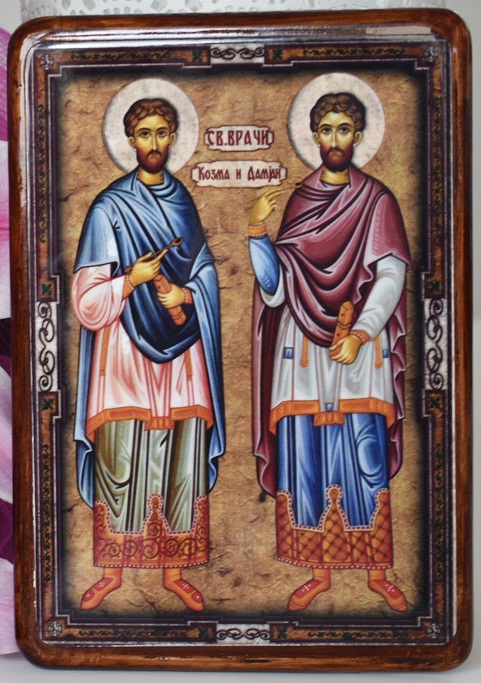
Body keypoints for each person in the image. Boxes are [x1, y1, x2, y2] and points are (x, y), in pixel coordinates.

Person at [248, 92, 411, 612]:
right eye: (327, 129)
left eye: (344, 128)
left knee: (364, 451)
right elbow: (277, 288)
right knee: (306, 454)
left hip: (358, 347)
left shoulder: (377, 201)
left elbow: (391, 275)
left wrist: (361, 333)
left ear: (358, 135)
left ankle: (376, 570)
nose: (335, 139)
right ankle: (317, 570)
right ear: (315, 136)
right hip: (301, 347)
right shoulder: (300, 201)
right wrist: (257, 233)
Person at [72, 97, 225, 612]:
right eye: (145, 134)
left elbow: (205, 272)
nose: (154, 143)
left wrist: (186, 294)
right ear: (130, 140)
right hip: (124, 353)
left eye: (162, 132)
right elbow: (86, 303)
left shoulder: (183, 203)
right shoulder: (108, 209)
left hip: (182, 355)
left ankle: (174, 571)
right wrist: (130, 281)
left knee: (182, 456)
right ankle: (112, 571)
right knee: (121, 456)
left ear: (174, 137)